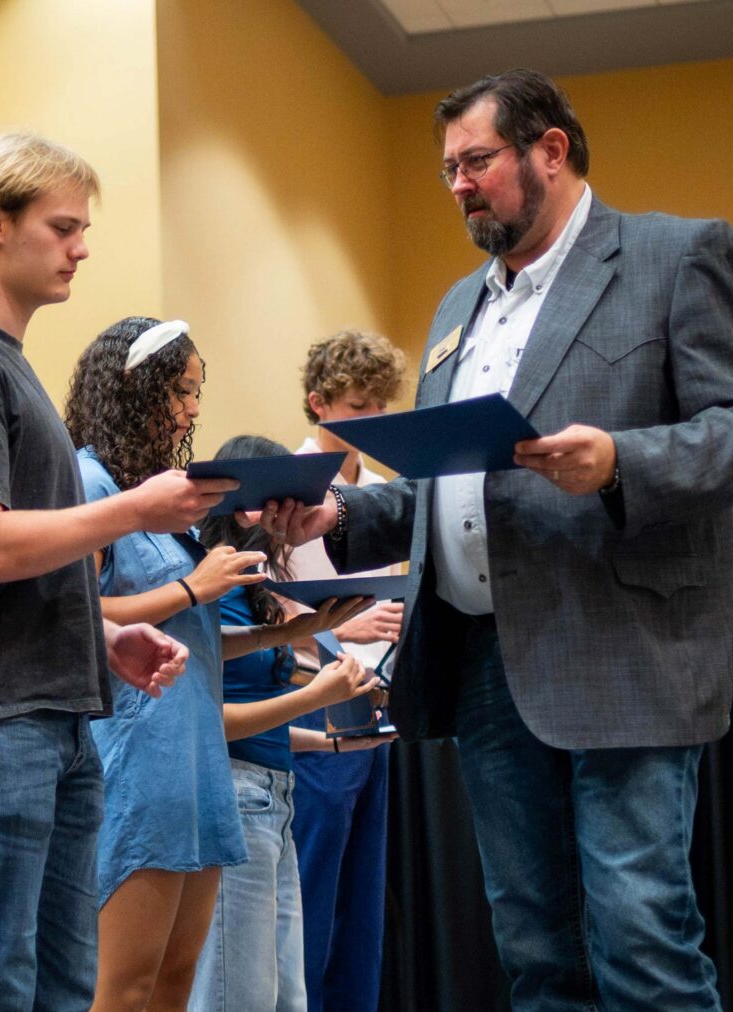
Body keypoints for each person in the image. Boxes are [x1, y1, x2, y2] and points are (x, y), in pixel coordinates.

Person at [267, 68, 733, 1009]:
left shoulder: (676, 258)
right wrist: (339, 516)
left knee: (642, 939)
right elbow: (448, 494)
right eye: (448, 171)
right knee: (535, 952)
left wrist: (622, 460)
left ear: (551, 150)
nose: (460, 186)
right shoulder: (452, 313)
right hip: (484, 667)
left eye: (477, 162)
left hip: (623, 655)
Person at [0, 135, 227, 1012]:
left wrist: (101, 631)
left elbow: (12, 557)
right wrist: (136, 510)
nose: (81, 247)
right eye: (63, 226)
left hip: (52, 720)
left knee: (61, 994)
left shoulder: (7, 364)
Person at [64, 321, 370, 1012]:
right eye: (180, 391)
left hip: (199, 766)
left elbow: (192, 637)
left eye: (197, 393)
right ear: (131, 390)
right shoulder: (89, 481)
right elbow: (77, 616)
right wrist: (194, 587)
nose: (193, 411)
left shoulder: (164, 503)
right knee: (125, 987)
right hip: (138, 758)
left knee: (176, 985)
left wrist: (302, 630)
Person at [189, 434, 391, 1012]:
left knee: (286, 998)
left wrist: (337, 743)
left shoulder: (259, 595)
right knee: (237, 997)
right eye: (285, 507)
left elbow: (267, 725)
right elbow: (210, 721)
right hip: (235, 796)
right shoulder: (215, 591)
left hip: (275, 798)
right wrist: (316, 696)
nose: (294, 522)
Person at [283, 330, 409, 1012]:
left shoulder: (386, 490)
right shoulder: (286, 484)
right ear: (319, 404)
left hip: (374, 692)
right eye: (359, 405)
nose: (374, 420)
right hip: (311, 696)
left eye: (380, 406)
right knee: (312, 887)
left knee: (363, 894)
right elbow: (257, 594)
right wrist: (336, 624)